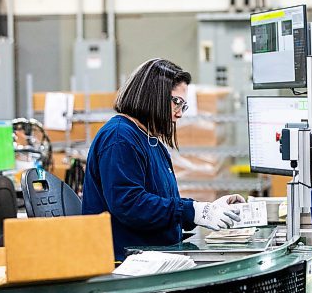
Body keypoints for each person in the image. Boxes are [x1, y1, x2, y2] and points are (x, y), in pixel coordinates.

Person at [82, 58, 245, 261]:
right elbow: (130, 204)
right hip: (126, 262)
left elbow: (162, 204)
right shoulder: (119, 138)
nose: (179, 114)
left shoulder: (149, 140)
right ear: (153, 95)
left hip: (153, 254)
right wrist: (192, 211)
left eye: (184, 106)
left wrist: (207, 208)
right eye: (176, 102)